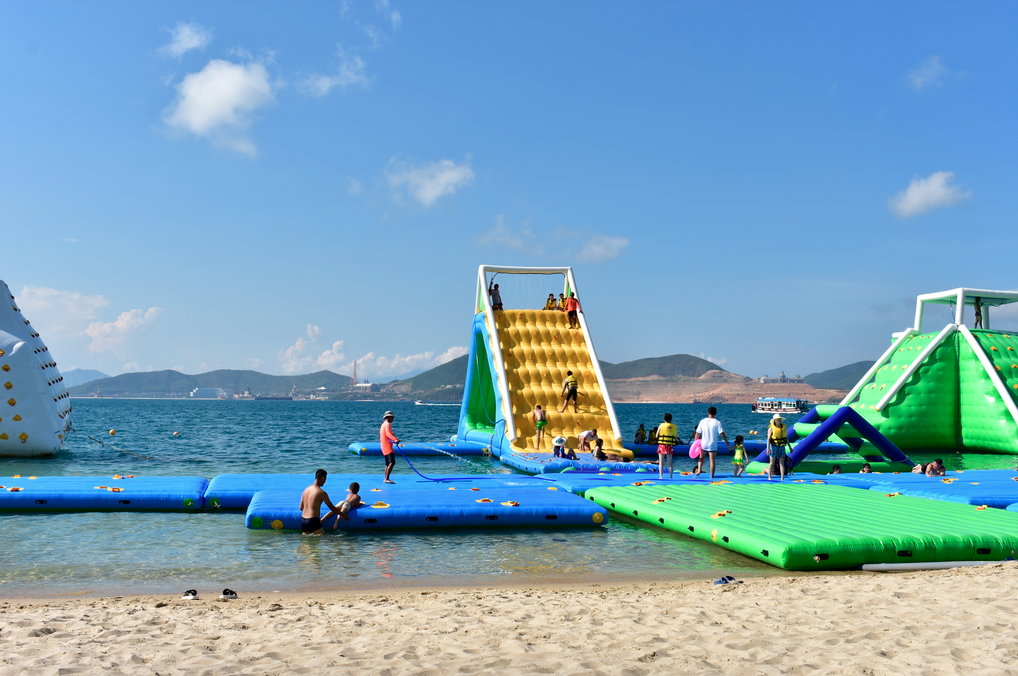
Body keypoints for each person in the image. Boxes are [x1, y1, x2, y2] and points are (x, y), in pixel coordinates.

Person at [299, 469, 344, 536]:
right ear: (322, 478)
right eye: (325, 480)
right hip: (313, 520)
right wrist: (344, 515)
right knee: (323, 539)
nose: (325, 482)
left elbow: (301, 507)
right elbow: (333, 509)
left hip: (303, 520)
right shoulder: (321, 492)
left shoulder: (306, 490)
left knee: (306, 541)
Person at [694, 406, 730, 479]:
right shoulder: (717, 422)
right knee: (712, 461)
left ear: (708, 413)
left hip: (704, 443)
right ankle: (711, 476)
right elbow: (722, 433)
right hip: (712, 444)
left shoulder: (702, 421)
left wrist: (695, 443)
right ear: (715, 413)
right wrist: (726, 441)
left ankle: (699, 470)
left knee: (701, 458)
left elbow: (698, 433)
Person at [656, 413, 680, 479]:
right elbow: (675, 436)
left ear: (664, 419)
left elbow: (656, 435)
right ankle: (671, 476)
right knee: (670, 462)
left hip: (662, 445)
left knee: (661, 462)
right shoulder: (674, 427)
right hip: (669, 446)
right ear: (671, 419)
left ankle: (661, 476)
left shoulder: (661, 425)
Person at [766, 413, 788, 482]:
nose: (779, 420)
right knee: (772, 462)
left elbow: (786, 437)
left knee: (782, 462)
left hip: (782, 445)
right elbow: (768, 439)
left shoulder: (783, 427)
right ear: (774, 420)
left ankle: (782, 477)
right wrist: (768, 448)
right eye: (778, 419)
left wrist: (790, 447)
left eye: (780, 419)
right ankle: (769, 476)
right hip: (774, 446)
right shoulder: (771, 428)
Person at [380, 410, 400, 484]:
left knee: (388, 464)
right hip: (388, 446)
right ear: (388, 417)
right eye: (392, 417)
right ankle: (387, 478)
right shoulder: (387, 424)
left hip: (384, 446)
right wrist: (395, 439)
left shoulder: (383, 424)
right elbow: (388, 434)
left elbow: (386, 433)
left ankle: (386, 478)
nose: (393, 419)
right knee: (392, 462)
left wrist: (392, 434)